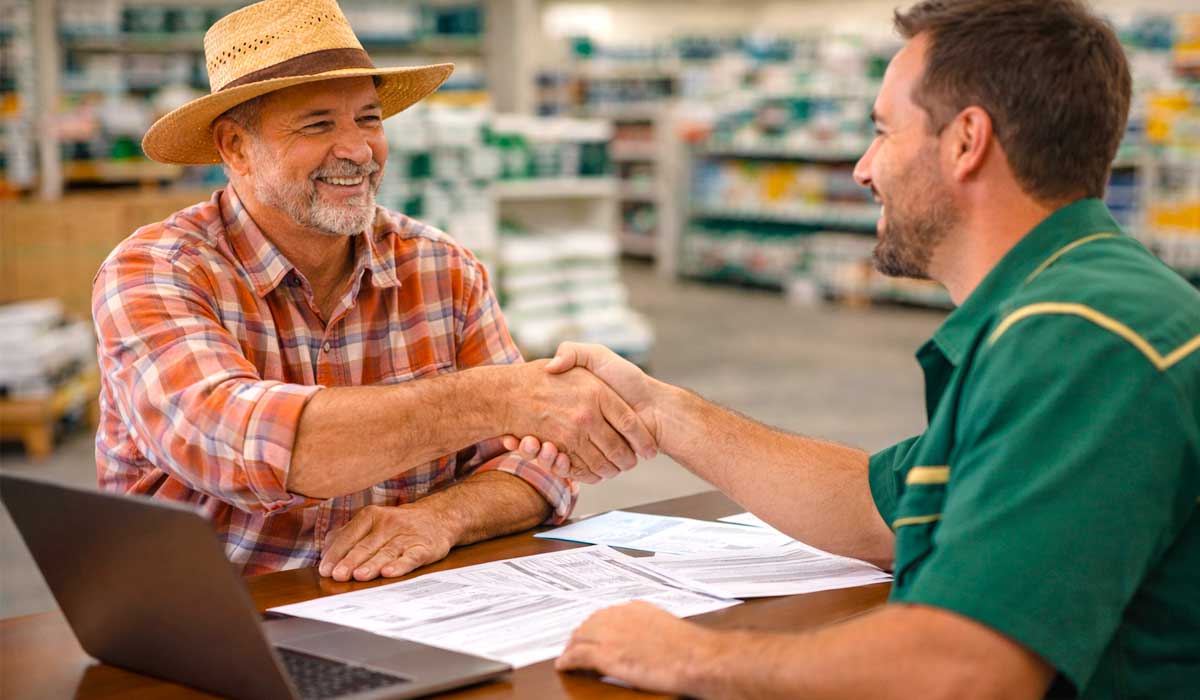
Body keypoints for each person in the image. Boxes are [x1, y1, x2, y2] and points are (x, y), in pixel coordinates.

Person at [511, 0, 1200, 696]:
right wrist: (660, 413)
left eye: (883, 132)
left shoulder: (1080, 339)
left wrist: (686, 655)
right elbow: (872, 508)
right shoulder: (1082, 303)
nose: (865, 170)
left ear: (967, 141)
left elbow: (963, 670)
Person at [92, 0, 654, 582]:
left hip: (398, 608)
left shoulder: (442, 269)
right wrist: (501, 397)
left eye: (368, 119)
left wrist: (444, 516)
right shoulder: (156, 272)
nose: (359, 151)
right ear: (235, 147)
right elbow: (246, 444)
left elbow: (541, 467)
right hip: (210, 611)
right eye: (318, 125)